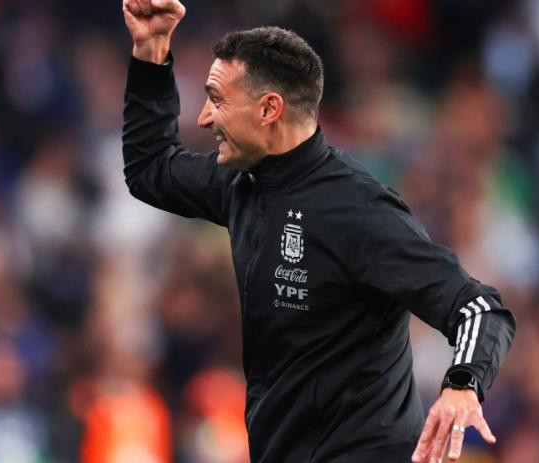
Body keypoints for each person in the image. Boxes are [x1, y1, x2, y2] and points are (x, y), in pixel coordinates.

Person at [120, 1, 516, 462]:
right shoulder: (242, 184)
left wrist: (462, 384)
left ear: (270, 109)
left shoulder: (358, 211)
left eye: (218, 99)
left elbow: (479, 309)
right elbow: (150, 169)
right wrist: (150, 51)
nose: (205, 118)